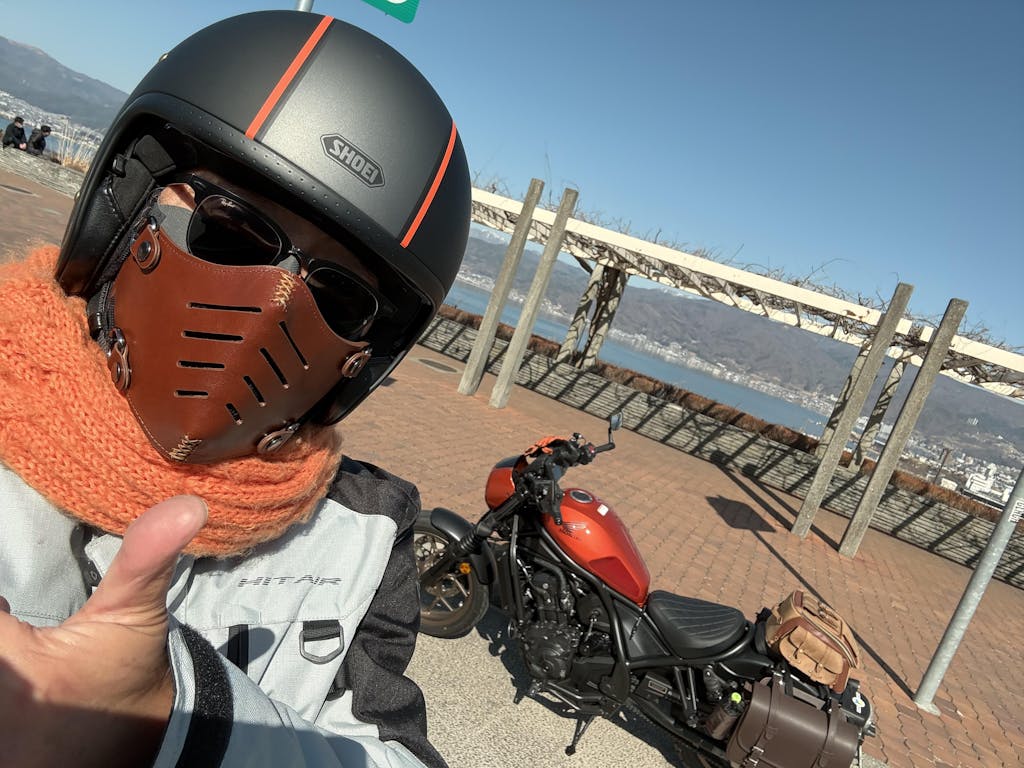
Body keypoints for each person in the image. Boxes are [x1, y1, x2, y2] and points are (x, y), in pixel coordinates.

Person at [0, 9, 469, 768]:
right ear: (127, 211)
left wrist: (174, 718)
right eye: (232, 232)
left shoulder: (364, 532)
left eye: (337, 298)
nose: (274, 304)